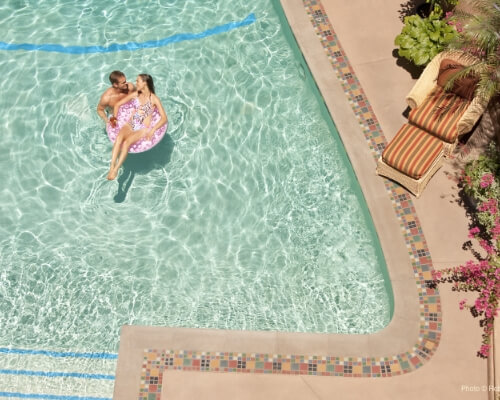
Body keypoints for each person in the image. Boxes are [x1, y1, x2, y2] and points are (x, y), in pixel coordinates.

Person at [107, 74, 168, 180]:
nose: (136, 83)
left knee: (126, 143)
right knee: (118, 140)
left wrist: (153, 130)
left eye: (138, 81)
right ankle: (111, 167)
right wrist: (115, 119)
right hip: (131, 123)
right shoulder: (136, 94)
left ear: (145, 83)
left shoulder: (154, 99)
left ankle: (116, 168)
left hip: (143, 127)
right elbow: (117, 105)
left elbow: (164, 118)